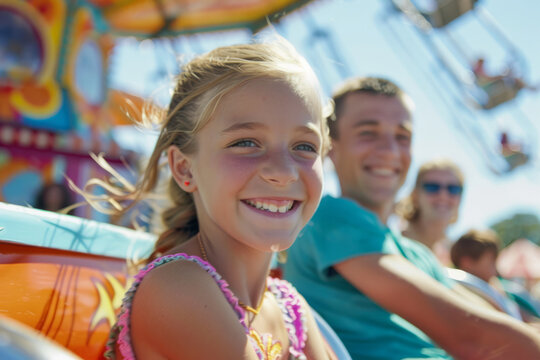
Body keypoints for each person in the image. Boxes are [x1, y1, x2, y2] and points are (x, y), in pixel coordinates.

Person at [88, 38, 333, 359]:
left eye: (304, 146)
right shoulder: (178, 289)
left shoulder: (289, 306)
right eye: (246, 142)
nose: (283, 172)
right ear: (184, 168)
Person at [283, 76, 540, 359]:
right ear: (330, 145)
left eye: (402, 137)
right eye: (368, 133)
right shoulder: (330, 216)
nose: (390, 151)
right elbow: (476, 339)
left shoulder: (418, 255)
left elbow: (498, 325)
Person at [396, 159, 464, 265]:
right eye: (433, 187)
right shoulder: (396, 245)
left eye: (452, 189)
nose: (443, 195)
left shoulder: (447, 255)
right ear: (415, 195)